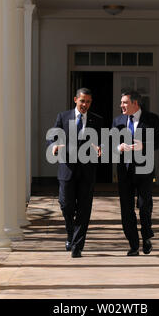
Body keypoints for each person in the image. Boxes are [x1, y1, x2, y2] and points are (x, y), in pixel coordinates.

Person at [47, 88, 103, 258]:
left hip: (87, 172)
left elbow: (104, 141)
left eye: (88, 102)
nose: (85, 105)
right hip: (67, 170)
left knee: (84, 209)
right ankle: (70, 234)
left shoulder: (97, 120)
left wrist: (101, 147)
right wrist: (54, 146)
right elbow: (53, 137)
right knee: (66, 205)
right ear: (75, 100)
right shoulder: (63, 117)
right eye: (82, 101)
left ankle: (77, 246)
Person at [112, 90, 159, 256]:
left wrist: (145, 145)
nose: (121, 106)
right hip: (125, 170)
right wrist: (118, 147)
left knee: (144, 206)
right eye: (121, 103)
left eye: (125, 102)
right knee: (126, 209)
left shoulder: (152, 119)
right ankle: (133, 245)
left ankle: (146, 236)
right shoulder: (118, 120)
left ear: (135, 103)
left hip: (145, 169)